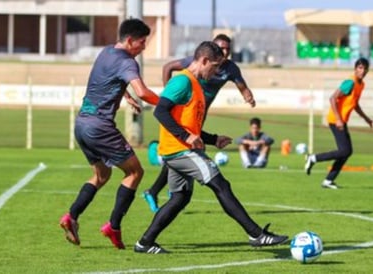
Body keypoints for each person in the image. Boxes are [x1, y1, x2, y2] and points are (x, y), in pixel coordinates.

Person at [134, 41, 288, 254]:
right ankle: (256, 234)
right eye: (214, 66)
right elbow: (160, 112)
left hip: (179, 149)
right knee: (220, 184)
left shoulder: (196, 86)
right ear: (204, 60)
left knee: (180, 198)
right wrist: (186, 137)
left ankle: (145, 243)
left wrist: (213, 139)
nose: (216, 72)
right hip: (179, 150)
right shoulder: (182, 82)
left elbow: (190, 126)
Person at [59, 18, 159, 249]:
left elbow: (107, 79)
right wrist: (168, 104)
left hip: (82, 124)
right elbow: (143, 92)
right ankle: (113, 226)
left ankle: (71, 217)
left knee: (101, 175)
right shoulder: (129, 63)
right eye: (142, 43)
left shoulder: (106, 52)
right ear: (131, 40)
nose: (144, 47)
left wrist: (126, 97)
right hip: (100, 127)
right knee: (135, 173)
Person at [143, 34, 256, 212]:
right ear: (206, 58)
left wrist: (247, 95)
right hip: (186, 111)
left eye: (227, 48)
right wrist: (169, 93)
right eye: (221, 48)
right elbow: (168, 67)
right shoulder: (193, 67)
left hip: (198, 115)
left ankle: (164, 196)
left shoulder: (230, 68)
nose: (225, 52)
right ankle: (162, 194)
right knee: (185, 157)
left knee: (181, 158)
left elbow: (242, 86)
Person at [305, 57, 373, 189]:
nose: (362, 71)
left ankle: (328, 180)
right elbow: (333, 98)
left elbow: (355, 104)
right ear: (355, 69)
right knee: (345, 150)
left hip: (341, 120)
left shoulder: (361, 84)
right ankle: (313, 158)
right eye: (360, 68)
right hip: (335, 120)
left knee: (346, 151)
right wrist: (338, 119)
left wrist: (366, 118)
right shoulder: (350, 82)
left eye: (365, 68)